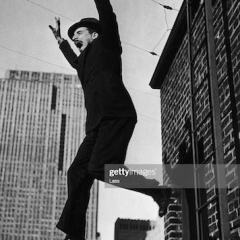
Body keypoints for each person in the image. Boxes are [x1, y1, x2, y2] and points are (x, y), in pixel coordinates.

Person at [49, 0, 171, 239]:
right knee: (76, 172)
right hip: (95, 124)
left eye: (79, 33)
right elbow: (74, 60)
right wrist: (61, 41)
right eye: (73, 35)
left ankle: (157, 191)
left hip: (117, 113)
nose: (75, 36)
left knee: (100, 168)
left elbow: (107, 15)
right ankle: (75, 233)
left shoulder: (108, 44)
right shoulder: (82, 62)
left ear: (94, 35)